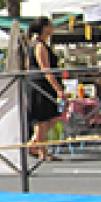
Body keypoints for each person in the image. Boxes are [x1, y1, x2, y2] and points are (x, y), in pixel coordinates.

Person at [26, 16, 66, 161]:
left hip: (38, 84)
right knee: (44, 119)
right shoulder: (39, 46)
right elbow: (46, 69)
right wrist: (58, 89)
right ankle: (39, 148)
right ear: (44, 28)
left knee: (48, 118)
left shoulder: (34, 44)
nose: (52, 28)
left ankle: (36, 145)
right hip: (41, 85)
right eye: (50, 25)